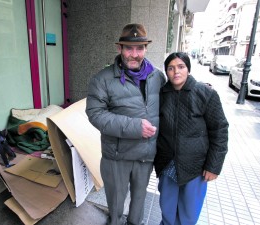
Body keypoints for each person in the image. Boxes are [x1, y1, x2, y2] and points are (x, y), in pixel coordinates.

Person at [85, 23, 167, 225]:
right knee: (116, 205)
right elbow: (95, 114)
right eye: (129, 48)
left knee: (139, 202)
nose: (134, 54)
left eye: (139, 48)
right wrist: (135, 127)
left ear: (146, 49)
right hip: (117, 157)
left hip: (146, 156)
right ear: (119, 48)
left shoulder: (158, 77)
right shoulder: (102, 79)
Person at [154, 52, 229, 225]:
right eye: (171, 68)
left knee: (188, 214)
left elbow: (220, 130)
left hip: (196, 167)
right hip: (167, 164)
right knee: (167, 209)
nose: (176, 72)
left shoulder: (205, 94)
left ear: (188, 69)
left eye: (181, 67)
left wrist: (213, 166)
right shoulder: (162, 94)